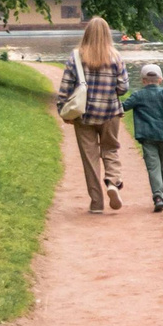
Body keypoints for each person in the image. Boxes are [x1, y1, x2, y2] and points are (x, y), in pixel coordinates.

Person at [55, 16, 131, 214]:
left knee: (90, 159)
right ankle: (113, 183)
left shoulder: (75, 57)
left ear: (86, 33)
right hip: (110, 113)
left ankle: (96, 203)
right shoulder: (116, 57)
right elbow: (123, 88)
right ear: (107, 34)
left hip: (84, 115)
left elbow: (64, 88)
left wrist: (63, 110)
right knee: (111, 150)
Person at [122, 62, 163, 213]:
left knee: (153, 166)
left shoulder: (138, 95)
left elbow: (124, 107)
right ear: (160, 79)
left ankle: (157, 197)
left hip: (147, 136)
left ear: (143, 80)